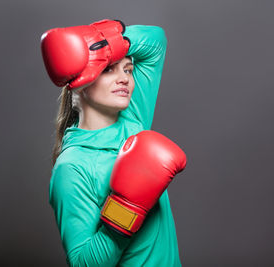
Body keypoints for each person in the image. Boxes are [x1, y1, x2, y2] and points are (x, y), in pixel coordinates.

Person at [41, 19, 186, 266]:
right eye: (108, 69)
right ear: (79, 83)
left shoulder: (132, 119)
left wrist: (98, 42)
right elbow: (83, 262)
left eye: (128, 69)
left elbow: (155, 41)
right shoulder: (71, 168)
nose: (125, 79)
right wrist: (125, 209)